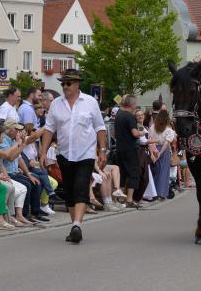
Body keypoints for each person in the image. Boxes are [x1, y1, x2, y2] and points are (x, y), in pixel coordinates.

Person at [39, 69, 108, 243]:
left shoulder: (90, 102)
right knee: (69, 191)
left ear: (77, 84)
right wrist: (43, 152)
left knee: (80, 187)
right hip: (64, 154)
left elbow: (100, 128)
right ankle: (74, 226)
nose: (65, 86)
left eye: (68, 83)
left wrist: (102, 150)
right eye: (63, 83)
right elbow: (49, 129)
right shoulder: (56, 104)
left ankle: (77, 224)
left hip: (85, 154)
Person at [114, 95, 144, 207]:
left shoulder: (118, 115)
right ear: (131, 104)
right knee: (134, 173)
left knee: (122, 173)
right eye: (135, 104)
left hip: (119, 148)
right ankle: (130, 200)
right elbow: (135, 133)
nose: (136, 105)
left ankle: (119, 199)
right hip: (130, 149)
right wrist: (142, 133)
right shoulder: (129, 116)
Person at [148, 109, 176, 199]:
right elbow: (166, 143)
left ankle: (153, 192)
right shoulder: (169, 130)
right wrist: (160, 153)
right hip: (164, 151)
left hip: (153, 148)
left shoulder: (152, 127)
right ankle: (162, 193)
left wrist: (154, 151)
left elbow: (150, 139)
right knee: (163, 172)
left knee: (155, 170)